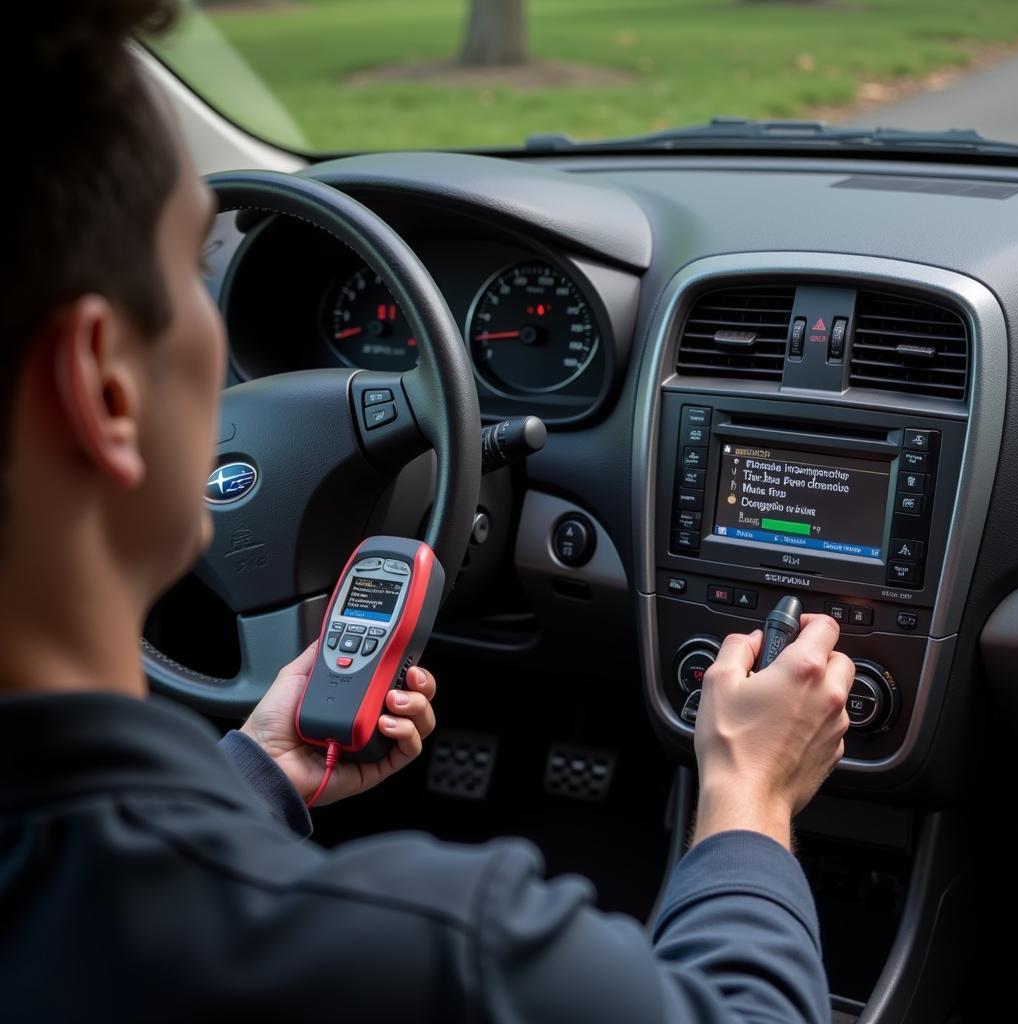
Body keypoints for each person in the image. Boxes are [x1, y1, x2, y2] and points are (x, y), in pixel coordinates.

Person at [0, 3, 855, 1021]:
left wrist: (255, 773)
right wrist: (747, 791)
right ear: (105, 390)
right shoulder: (455, 956)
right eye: (193, 269)